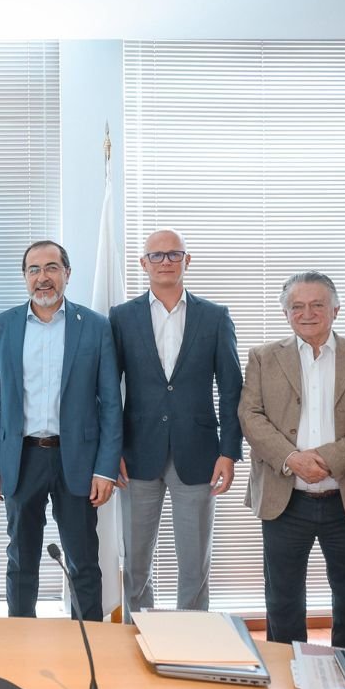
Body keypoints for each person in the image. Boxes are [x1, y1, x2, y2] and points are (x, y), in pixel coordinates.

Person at [238, 272, 345, 651]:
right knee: (282, 601)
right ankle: (287, 670)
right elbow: (250, 416)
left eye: (317, 305)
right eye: (297, 306)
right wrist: (292, 459)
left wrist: (327, 459)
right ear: (285, 313)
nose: (307, 313)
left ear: (335, 310)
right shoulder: (262, 358)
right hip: (285, 500)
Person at [0, 240, 122, 620]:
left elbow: (111, 403)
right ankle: (20, 639)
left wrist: (105, 468)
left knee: (83, 562)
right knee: (21, 560)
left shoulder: (95, 327)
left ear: (67, 274)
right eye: (34, 269)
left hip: (76, 460)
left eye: (51, 268)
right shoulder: (1, 326)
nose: (42, 277)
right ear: (24, 277)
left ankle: (88, 642)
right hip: (20, 459)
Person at [108, 229, 243, 614]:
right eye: (157, 255)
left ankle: (192, 637)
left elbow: (232, 389)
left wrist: (229, 452)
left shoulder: (215, 317)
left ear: (187, 260)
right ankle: (137, 634)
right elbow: (108, 389)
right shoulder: (122, 317)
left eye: (174, 254)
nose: (165, 261)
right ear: (143, 263)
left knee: (195, 562)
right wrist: (110, 452)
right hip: (136, 455)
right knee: (136, 562)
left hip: (198, 454)